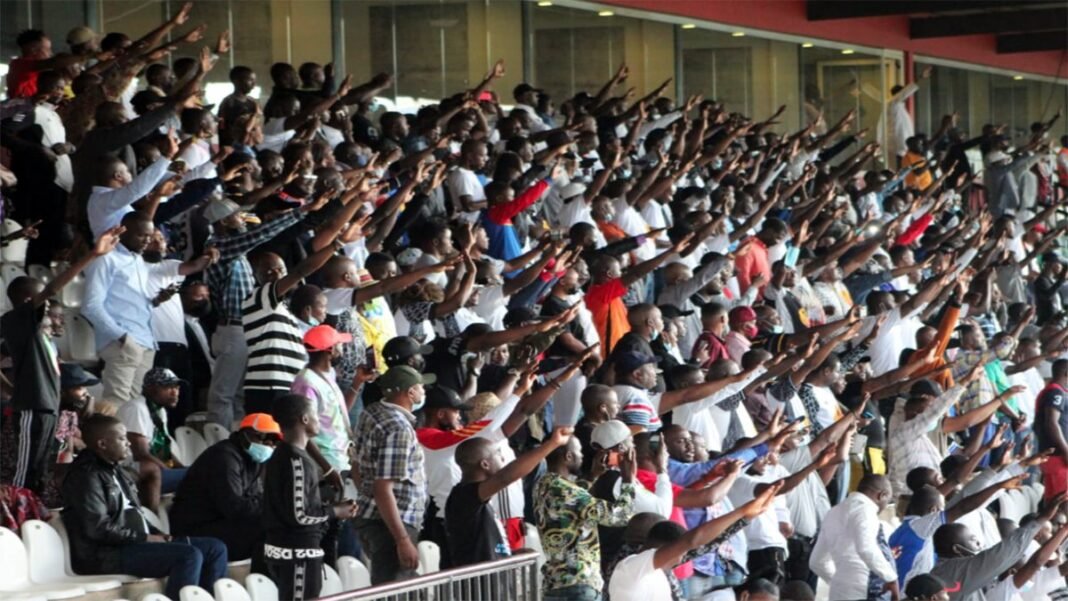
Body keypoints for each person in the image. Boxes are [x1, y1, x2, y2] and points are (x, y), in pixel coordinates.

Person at [3, 226, 122, 493]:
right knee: (23, 474)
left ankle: (31, 516)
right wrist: (92, 254)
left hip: (46, 408)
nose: (49, 305)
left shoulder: (41, 338)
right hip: (32, 409)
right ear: (28, 300)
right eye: (43, 300)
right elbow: (53, 288)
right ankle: (13, 517)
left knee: (39, 471)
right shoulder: (18, 322)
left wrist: (14, 389)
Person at [61, 414, 228, 600]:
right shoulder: (86, 476)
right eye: (122, 438)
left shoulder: (115, 468)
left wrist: (157, 535)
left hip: (132, 543)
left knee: (215, 548)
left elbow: (135, 514)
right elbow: (97, 528)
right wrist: (145, 538)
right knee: (188, 555)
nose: (128, 443)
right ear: (102, 444)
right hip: (105, 554)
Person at [82, 211, 218, 405]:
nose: (147, 241)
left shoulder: (138, 261)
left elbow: (130, 304)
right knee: (116, 402)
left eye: (150, 236)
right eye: (142, 235)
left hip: (145, 342)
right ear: (123, 232)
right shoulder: (106, 259)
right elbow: (90, 306)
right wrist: (122, 337)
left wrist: (155, 301)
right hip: (123, 342)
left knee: (136, 404)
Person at [606, 482, 783, 601]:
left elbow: (704, 545)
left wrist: (745, 518)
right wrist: (742, 512)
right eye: (680, 553)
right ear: (666, 549)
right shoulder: (632, 567)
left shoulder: (659, 572)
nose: (683, 559)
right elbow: (693, 541)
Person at [263, 394, 357, 601]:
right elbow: (299, 515)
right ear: (304, 419)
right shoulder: (296, 461)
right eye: (315, 415)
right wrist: (335, 511)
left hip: (288, 552)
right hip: (297, 556)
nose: (318, 420)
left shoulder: (282, 455)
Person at [352, 365, 435, 584]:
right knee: (397, 588)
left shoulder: (371, 412)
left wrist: (366, 496)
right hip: (392, 523)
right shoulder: (398, 429)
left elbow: (356, 464)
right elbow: (383, 488)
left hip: (373, 516)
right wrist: (402, 539)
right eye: (421, 387)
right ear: (410, 393)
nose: (424, 392)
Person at [447, 426, 573, 567]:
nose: (502, 458)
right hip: (480, 586)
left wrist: (511, 555)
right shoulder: (463, 496)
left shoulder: (476, 499)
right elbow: (505, 477)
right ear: (485, 464)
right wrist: (552, 444)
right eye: (498, 454)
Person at [535, 432, 638, 601]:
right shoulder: (568, 491)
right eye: (579, 452)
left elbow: (571, 500)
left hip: (554, 583)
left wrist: (593, 475)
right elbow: (620, 516)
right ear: (568, 456)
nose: (583, 456)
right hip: (578, 583)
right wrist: (628, 480)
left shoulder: (544, 484)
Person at [169, 413, 281, 565]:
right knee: (268, 526)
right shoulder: (224, 457)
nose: (268, 445)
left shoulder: (254, 460)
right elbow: (234, 507)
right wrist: (272, 504)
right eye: (262, 437)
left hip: (222, 522)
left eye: (273, 441)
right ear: (244, 434)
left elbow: (253, 500)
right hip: (197, 528)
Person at [809, 474, 899, 600]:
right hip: (863, 589)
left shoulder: (834, 512)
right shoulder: (865, 511)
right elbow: (866, 548)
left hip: (838, 592)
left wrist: (839, 580)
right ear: (882, 495)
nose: (884, 507)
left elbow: (816, 561)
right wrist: (891, 578)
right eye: (887, 501)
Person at [115, 367, 188, 511]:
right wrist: (171, 472)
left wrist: (180, 468)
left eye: (176, 387)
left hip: (158, 469)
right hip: (134, 473)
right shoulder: (136, 408)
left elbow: (163, 448)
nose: (175, 392)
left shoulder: (159, 411)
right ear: (151, 388)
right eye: (168, 387)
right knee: (205, 475)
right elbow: (141, 454)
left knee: (201, 472)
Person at [1036, 358, 1068, 500]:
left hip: (1055, 456)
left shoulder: (1054, 391)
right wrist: (1066, 451)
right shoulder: (1056, 393)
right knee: (1062, 500)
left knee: (1054, 501)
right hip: (1058, 457)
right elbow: (1052, 423)